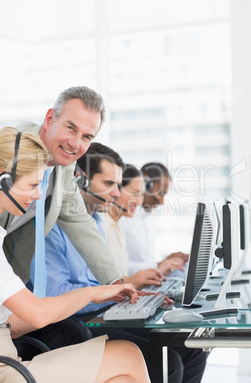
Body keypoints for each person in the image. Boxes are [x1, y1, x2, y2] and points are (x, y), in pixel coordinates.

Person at [27, 145, 205, 383]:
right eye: (109, 184)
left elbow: (98, 282)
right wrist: (103, 292)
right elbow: (52, 295)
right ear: (80, 181)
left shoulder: (95, 221)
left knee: (192, 346)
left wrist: (127, 291)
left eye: (118, 185)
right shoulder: (51, 227)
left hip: (99, 313)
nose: (115, 193)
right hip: (69, 324)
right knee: (167, 361)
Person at [0, 127, 150, 383]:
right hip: (7, 368)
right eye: (33, 185)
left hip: (9, 353)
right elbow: (36, 313)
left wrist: (109, 292)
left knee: (122, 372)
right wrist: (94, 293)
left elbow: (12, 323)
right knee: (127, 354)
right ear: (4, 181)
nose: (38, 196)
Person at [0, 86, 123, 286]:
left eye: (86, 137)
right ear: (49, 119)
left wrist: (115, 283)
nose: (75, 144)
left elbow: (79, 221)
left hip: (10, 282)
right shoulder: (12, 149)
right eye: (70, 128)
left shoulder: (64, 165)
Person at [103, 164, 185, 279]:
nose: (162, 201)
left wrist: (161, 266)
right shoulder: (113, 221)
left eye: (140, 194)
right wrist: (157, 267)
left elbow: (121, 268)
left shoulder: (144, 218)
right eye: (134, 193)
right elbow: (112, 273)